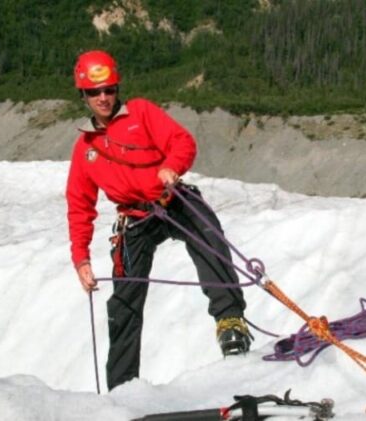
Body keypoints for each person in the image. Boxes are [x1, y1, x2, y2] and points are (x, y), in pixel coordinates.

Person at [65, 50, 251, 391]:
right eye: (95, 92)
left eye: (108, 89)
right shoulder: (85, 149)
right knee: (124, 301)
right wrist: (81, 258)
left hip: (171, 198)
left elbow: (182, 141)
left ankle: (231, 325)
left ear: (116, 87)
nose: (103, 98)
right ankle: (122, 388)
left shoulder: (141, 112)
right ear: (84, 96)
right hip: (134, 218)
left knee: (209, 238)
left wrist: (172, 166)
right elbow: (80, 205)